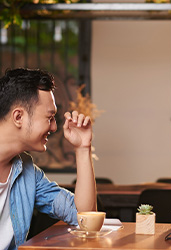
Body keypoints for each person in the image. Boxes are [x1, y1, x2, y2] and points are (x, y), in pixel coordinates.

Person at [0, 68, 97, 250]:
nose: (54, 127)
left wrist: (83, 148)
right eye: (50, 117)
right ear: (18, 117)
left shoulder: (27, 172)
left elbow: (84, 217)